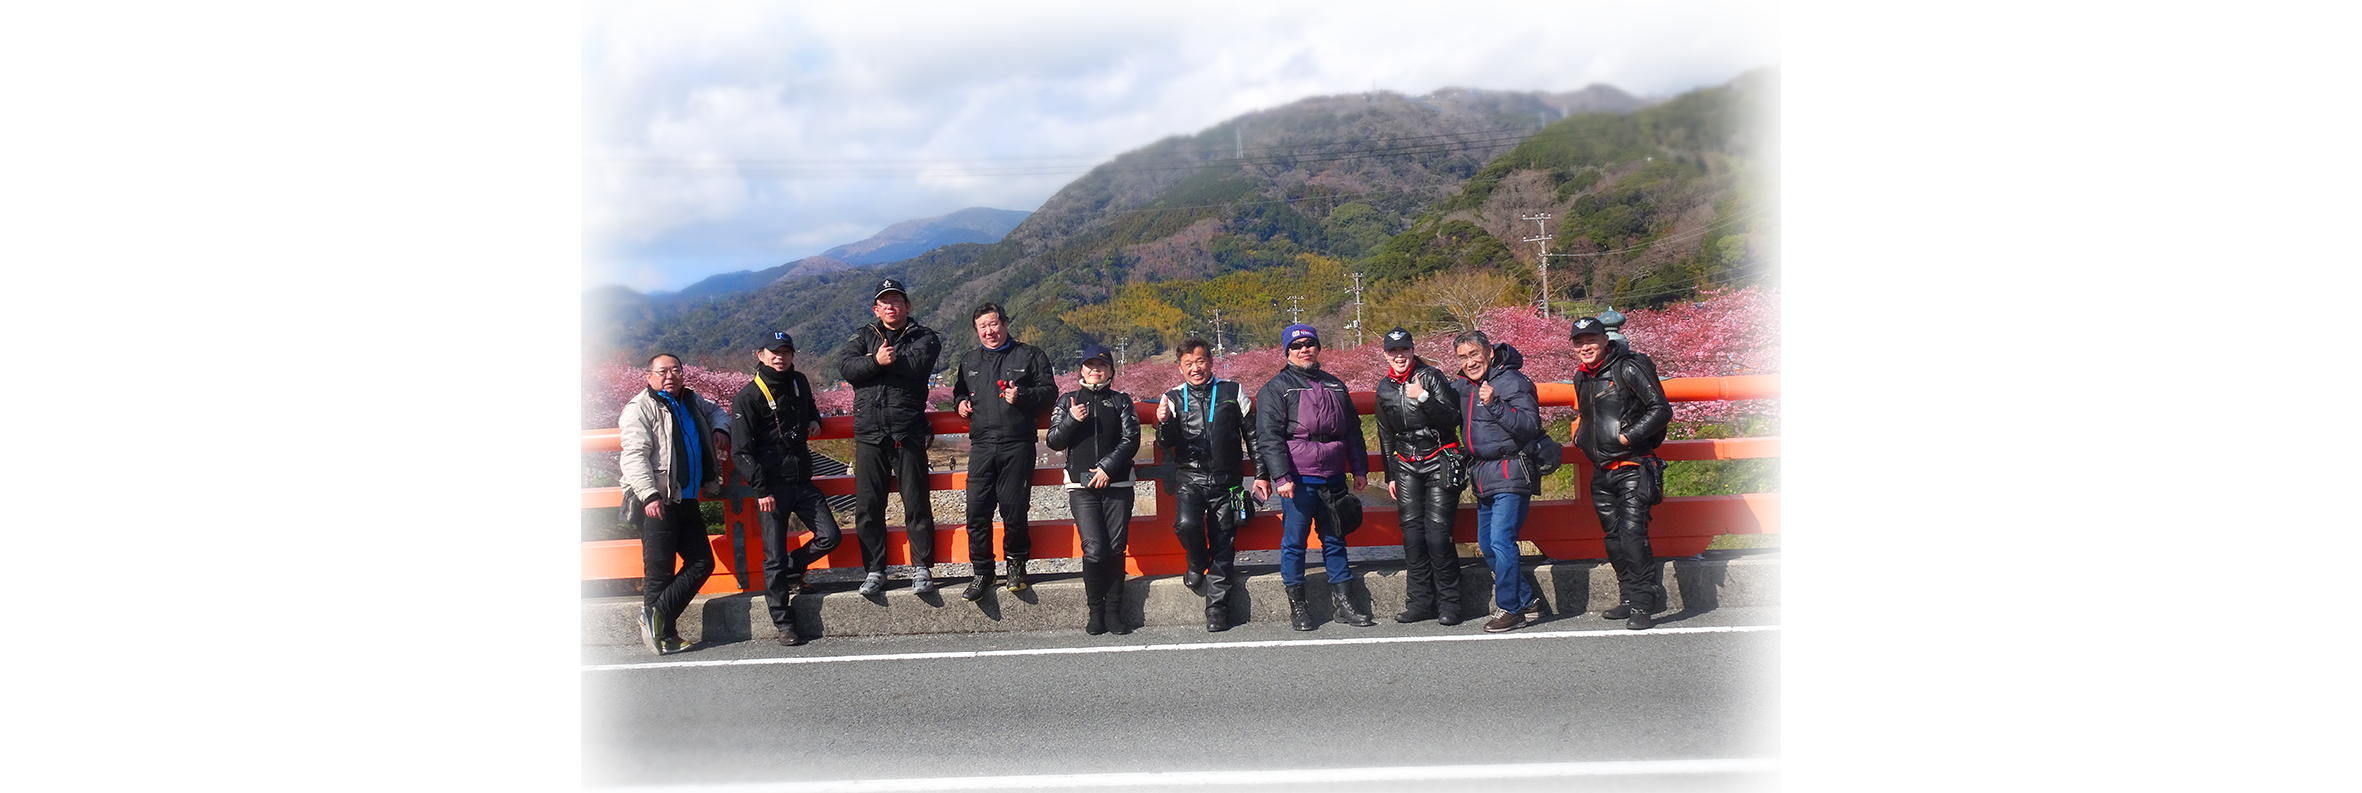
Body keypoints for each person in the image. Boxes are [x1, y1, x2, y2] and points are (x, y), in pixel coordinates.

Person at [1252, 324, 1374, 631]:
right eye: (1297, 346)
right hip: (1298, 477)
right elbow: (1268, 436)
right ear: (1287, 352)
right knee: (1294, 542)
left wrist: (1359, 469)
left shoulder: (1335, 385)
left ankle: (1344, 604)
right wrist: (1280, 476)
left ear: (1318, 348)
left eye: (1310, 344)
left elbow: (1352, 431)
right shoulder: (1276, 387)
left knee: (1335, 538)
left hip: (1333, 474)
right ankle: (1299, 606)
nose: (1304, 349)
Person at [729, 331, 842, 647]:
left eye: (786, 352)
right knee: (773, 557)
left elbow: (810, 406)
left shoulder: (799, 381)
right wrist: (761, 489)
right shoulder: (748, 396)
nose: (781, 357)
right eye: (774, 352)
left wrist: (816, 420)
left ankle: (794, 568)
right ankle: (784, 623)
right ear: (760, 354)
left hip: (801, 480)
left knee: (830, 535)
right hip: (770, 488)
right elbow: (740, 451)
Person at [833, 278, 945, 596]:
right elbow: (846, 367)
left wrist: (877, 365)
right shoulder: (864, 335)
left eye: (897, 301)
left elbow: (917, 366)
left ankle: (921, 568)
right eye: (885, 302)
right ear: (876, 309)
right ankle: (874, 569)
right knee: (868, 507)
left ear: (908, 306)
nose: (891, 306)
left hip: (907, 432)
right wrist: (874, 361)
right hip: (869, 434)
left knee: (916, 503)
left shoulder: (925, 336)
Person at [618, 353, 732, 655]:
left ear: (683, 374)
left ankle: (656, 619)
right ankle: (662, 633)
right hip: (657, 499)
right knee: (660, 569)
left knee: (701, 562)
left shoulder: (692, 401)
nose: (670, 376)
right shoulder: (639, 408)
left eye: (676, 370)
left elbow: (719, 412)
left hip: (687, 496)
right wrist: (649, 495)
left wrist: (721, 429)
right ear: (649, 376)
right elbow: (633, 455)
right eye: (662, 371)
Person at [1569, 315, 1673, 630]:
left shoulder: (1628, 367)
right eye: (1578, 341)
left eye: (1590, 339)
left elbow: (1661, 409)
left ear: (1605, 339)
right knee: (1613, 539)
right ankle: (1627, 597)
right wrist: (1580, 437)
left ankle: (1643, 602)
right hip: (1601, 469)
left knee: (1632, 537)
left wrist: (1627, 437)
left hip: (1633, 465)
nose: (1585, 346)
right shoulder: (1582, 376)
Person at [951, 303, 1058, 602]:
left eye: (994, 324)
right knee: (977, 512)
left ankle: (1016, 565)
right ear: (976, 331)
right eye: (983, 326)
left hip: (1017, 443)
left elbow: (1050, 392)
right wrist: (959, 403)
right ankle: (982, 571)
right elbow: (959, 390)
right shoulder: (970, 360)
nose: (990, 331)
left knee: (1013, 510)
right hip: (982, 444)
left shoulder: (1030, 355)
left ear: (1006, 324)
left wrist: (1021, 395)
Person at [1154, 336, 1261, 632]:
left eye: (1200, 361)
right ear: (1180, 368)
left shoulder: (1232, 390)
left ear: (1211, 362)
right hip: (1190, 478)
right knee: (1186, 524)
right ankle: (1196, 560)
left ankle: (1216, 608)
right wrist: (1163, 421)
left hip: (1227, 479)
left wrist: (1262, 475)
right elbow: (1167, 444)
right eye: (1189, 364)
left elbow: (1252, 435)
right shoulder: (1173, 397)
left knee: (1224, 543)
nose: (1195, 368)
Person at [1452, 329, 1548, 633]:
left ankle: (1510, 608)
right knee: (1486, 543)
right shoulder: (1465, 387)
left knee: (1501, 540)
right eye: (1463, 358)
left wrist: (1495, 403)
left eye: (1474, 355)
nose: (1470, 362)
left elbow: (1530, 425)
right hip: (1483, 475)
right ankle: (1526, 599)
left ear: (1489, 352)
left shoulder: (1512, 382)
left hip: (1511, 470)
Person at [1372, 327, 1467, 626]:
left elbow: (1453, 418)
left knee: (1437, 534)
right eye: (1393, 351)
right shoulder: (1384, 388)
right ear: (1386, 354)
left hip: (1439, 457)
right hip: (1405, 463)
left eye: (1404, 350)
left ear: (1413, 350)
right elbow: (1385, 435)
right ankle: (1419, 602)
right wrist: (1389, 475)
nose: (1399, 356)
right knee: (1412, 535)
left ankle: (1450, 602)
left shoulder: (1431, 376)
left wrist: (1424, 397)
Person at [1046, 345, 1140, 635]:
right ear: (1081, 370)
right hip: (1080, 486)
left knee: (1115, 548)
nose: (1095, 370)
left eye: (1101, 366)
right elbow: (1053, 441)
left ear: (1111, 371)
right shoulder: (1067, 400)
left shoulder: (1122, 401)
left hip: (1118, 483)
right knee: (1095, 549)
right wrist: (1072, 419)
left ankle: (1113, 612)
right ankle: (1095, 611)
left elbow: (1132, 439)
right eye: (1090, 365)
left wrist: (1107, 469)